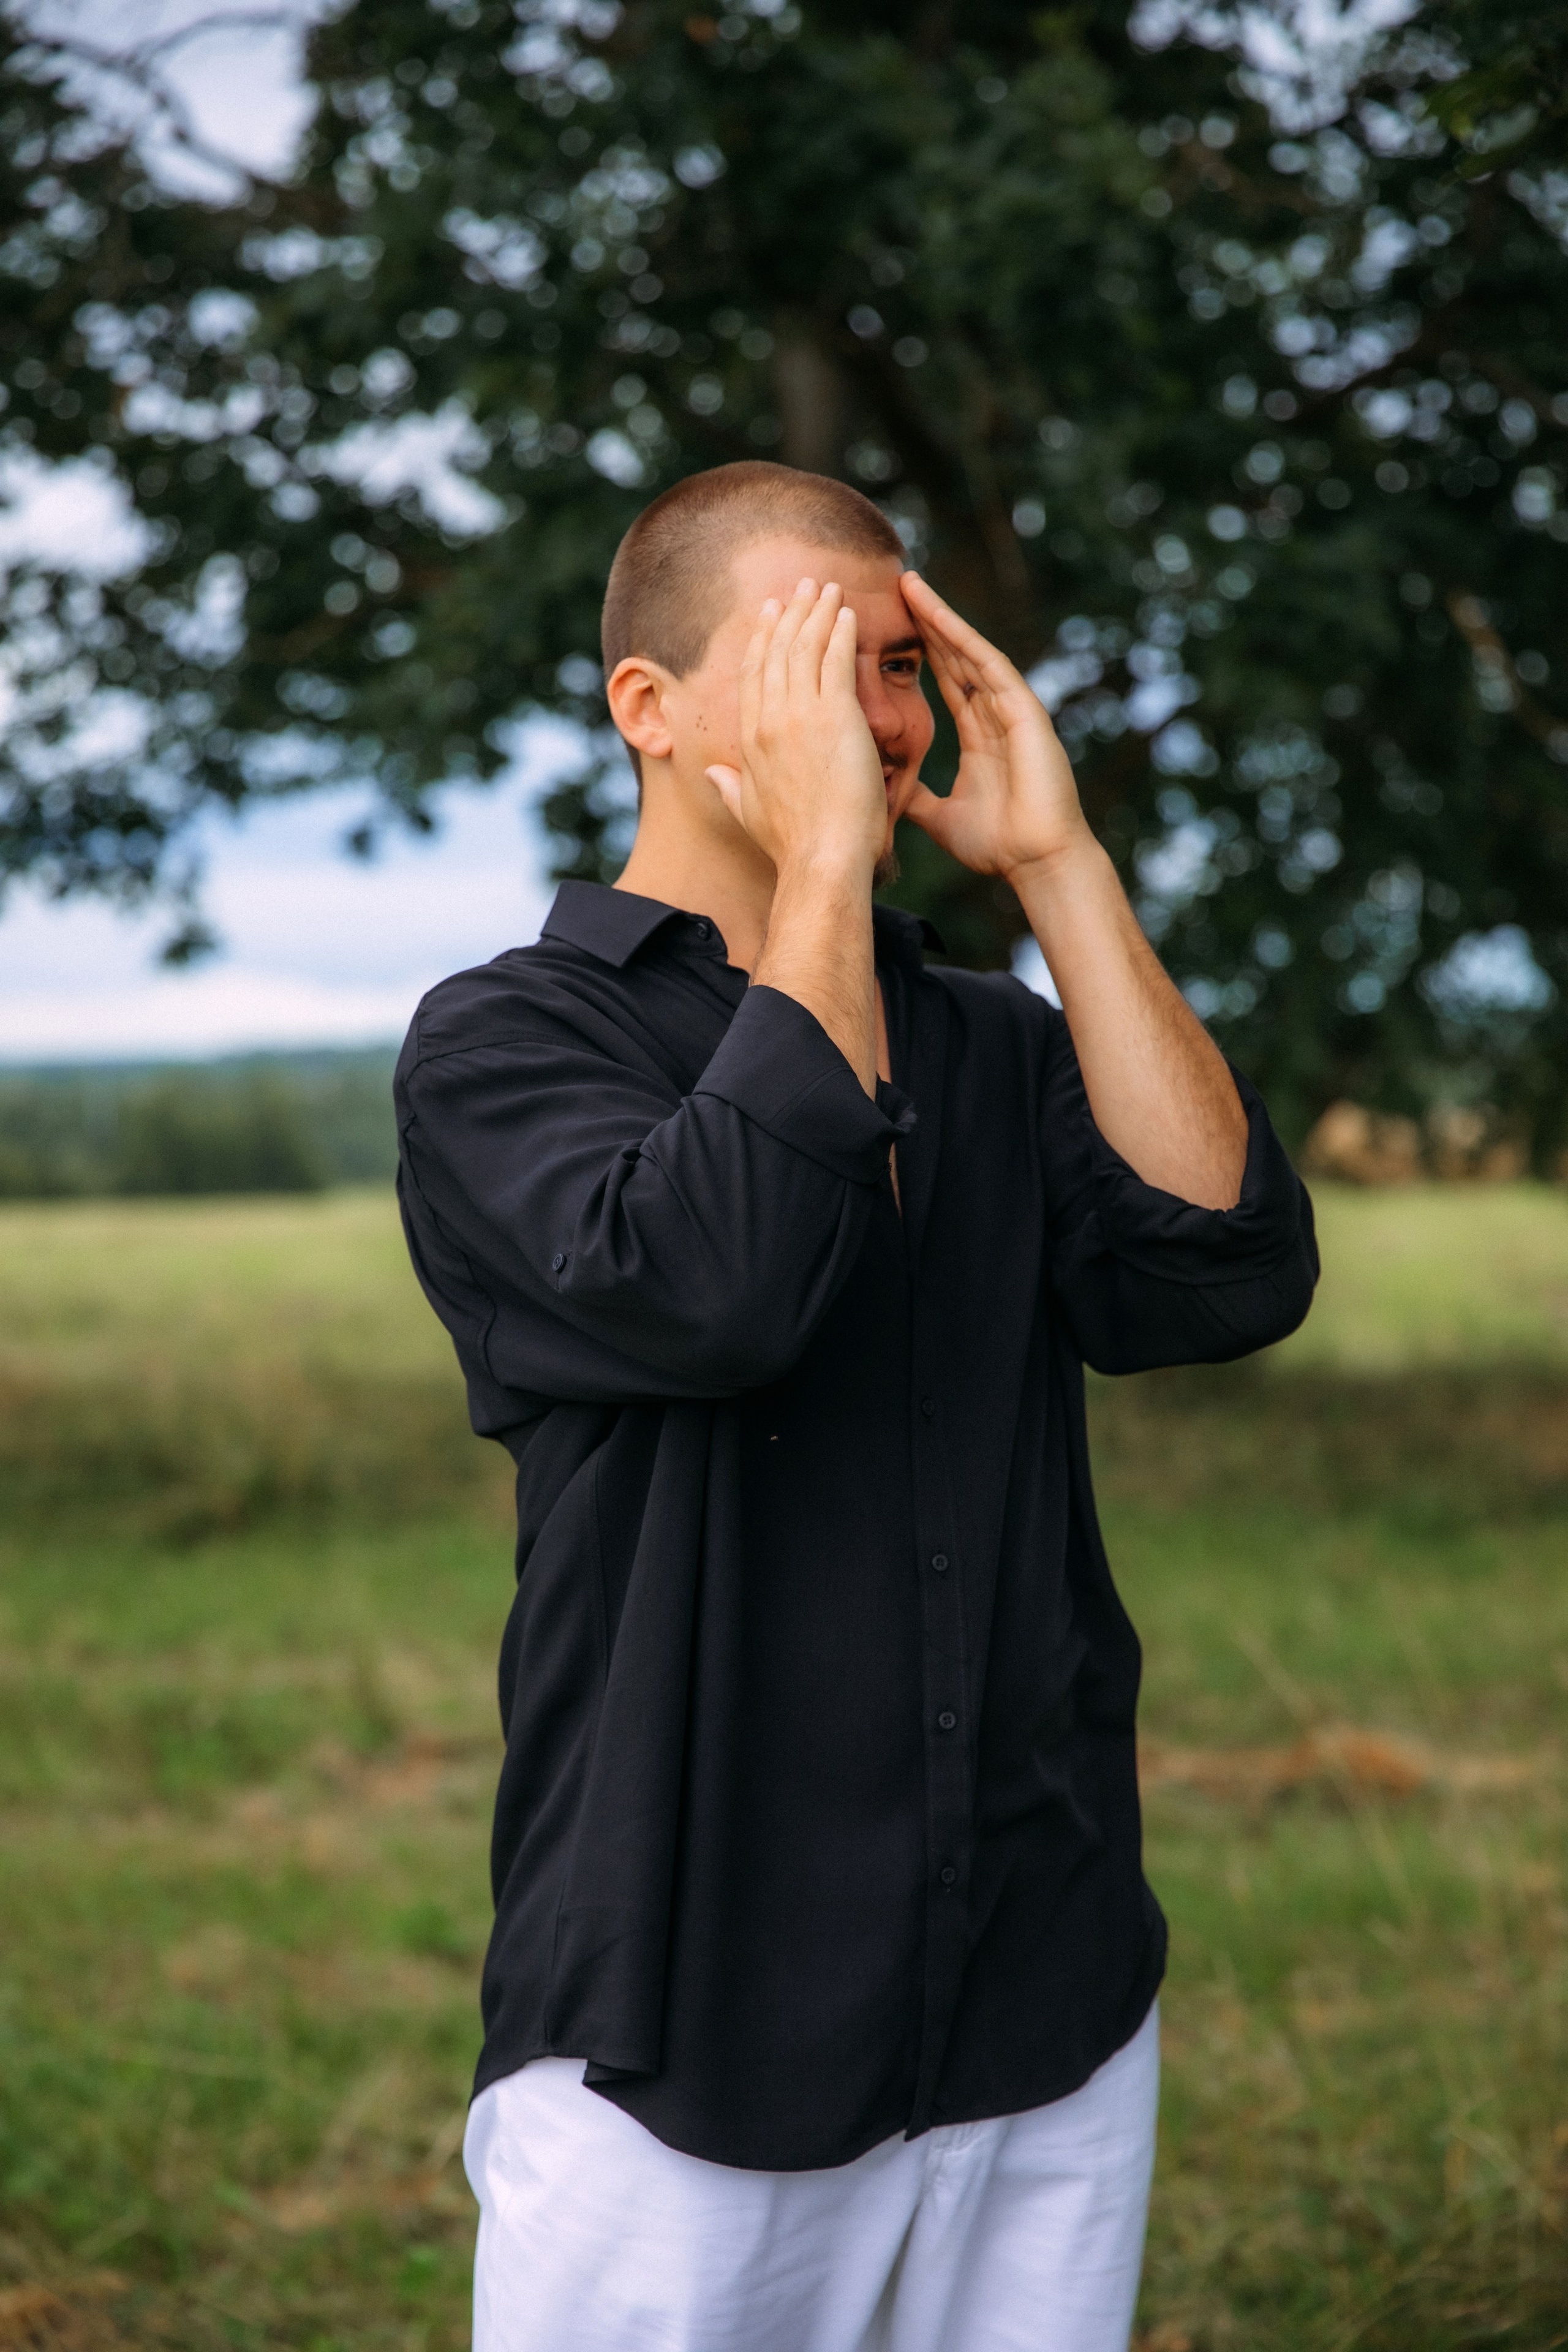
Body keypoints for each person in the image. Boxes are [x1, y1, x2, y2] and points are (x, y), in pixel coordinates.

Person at [394, 461, 1317, 2352]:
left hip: (1042, 1997)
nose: (877, 724)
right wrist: (822, 867)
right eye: (820, 663)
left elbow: (1226, 1274)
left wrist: (1059, 871)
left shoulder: (991, 1035)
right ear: (647, 713)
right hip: (685, 2023)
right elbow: (714, 1287)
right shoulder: (506, 1042)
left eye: (899, 670)